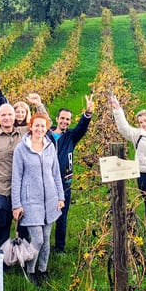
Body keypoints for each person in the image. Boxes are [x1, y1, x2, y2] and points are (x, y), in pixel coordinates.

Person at [0, 92, 47, 249]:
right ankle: (3, 261)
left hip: (24, 190)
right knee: (3, 229)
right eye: (3, 115)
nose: (7, 118)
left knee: (23, 227)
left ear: (14, 116)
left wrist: (39, 104)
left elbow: (45, 124)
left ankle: (22, 258)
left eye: (10, 114)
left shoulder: (24, 132)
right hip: (1, 191)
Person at [11, 112, 65, 285]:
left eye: (43, 126)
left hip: (50, 199)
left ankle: (43, 269)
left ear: (47, 128)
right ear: (31, 127)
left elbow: (56, 173)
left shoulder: (50, 146)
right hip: (30, 201)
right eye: (37, 125)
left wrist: (60, 196)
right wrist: (16, 205)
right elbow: (16, 177)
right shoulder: (21, 148)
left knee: (47, 239)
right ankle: (31, 270)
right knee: (38, 239)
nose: (40, 129)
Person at [109, 96, 146, 241]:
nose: (144, 124)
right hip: (145, 175)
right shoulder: (137, 135)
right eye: (140, 122)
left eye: (145, 120)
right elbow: (123, 128)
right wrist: (117, 109)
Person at [49, 95, 94, 254]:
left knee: (62, 217)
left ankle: (59, 247)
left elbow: (82, 127)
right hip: (46, 182)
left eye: (68, 120)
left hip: (64, 182)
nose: (65, 122)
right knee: (45, 215)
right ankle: (42, 246)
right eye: (62, 118)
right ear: (57, 118)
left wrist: (87, 114)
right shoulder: (46, 136)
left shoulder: (71, 137)